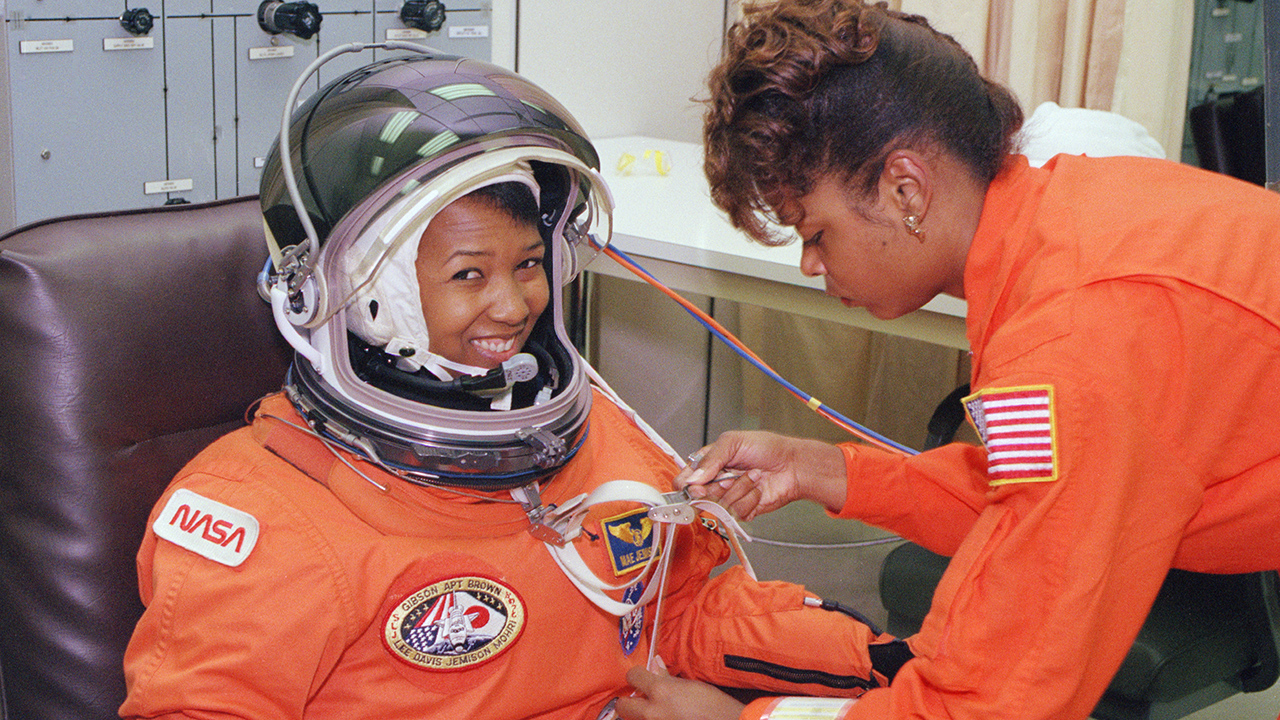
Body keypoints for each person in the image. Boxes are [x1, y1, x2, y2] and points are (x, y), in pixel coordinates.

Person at [118, 53, 904, 720]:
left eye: (528, 264)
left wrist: (900, 667)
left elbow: (684, 612)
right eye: (469, 275)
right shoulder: (267, 515)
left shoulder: (599, 433)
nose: (512, 303)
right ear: (363, 290)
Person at [616, 1, 1280, 719]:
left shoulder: (1071, 341)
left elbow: (992, 705)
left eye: (816, 232)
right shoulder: (1064, 218)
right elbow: (1026, 503)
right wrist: (820, 469)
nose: (811, 264)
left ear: (907, 190)